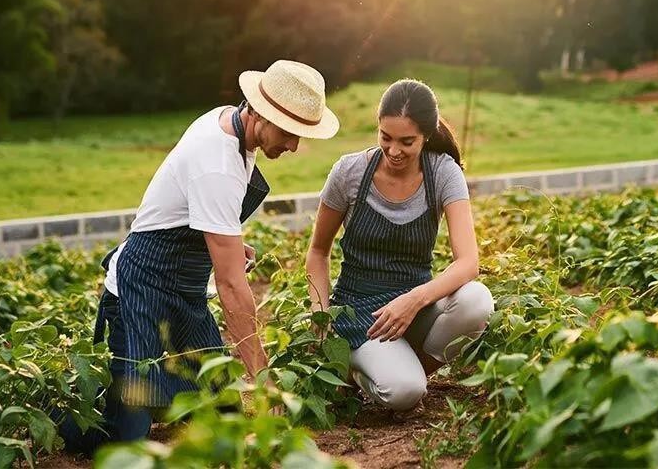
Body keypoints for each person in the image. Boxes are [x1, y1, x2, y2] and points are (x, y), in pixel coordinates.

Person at [60, 60, 340, 453]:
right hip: (140, 290)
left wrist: (218, 239)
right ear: (259, 112)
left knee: (222, 410)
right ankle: (60, 418)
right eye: (289, 133)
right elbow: (229, 285)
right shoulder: (218, 163)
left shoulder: (231, 123)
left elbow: (190, 208)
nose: (293, 145)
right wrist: (262, 375)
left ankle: (158, 391)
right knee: (128, 436)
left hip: (185, 292)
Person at [305, 79, 493, 411]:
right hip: (362, 314)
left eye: (407, 142)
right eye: (385, 137)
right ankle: (356, 371)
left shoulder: (442, 172)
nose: (393, 151)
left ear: (427, 136)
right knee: (403, 393)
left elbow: (468, 262)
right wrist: (321, 321)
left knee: (476, 300)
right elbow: (318, 252)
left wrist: (412, 300)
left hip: (416, 307)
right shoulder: (349, 173)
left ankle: (403, 371)